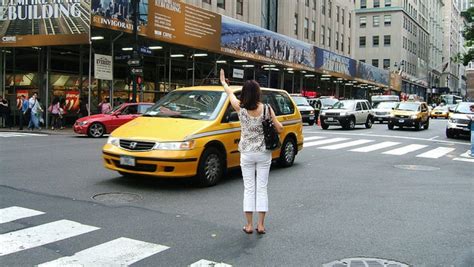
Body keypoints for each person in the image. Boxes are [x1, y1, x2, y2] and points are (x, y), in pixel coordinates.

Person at [220, 69, 283, 235]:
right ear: (258, 93)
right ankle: (261, 225)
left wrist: (224, 83)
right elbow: (280, 129)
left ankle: (248, 225)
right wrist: (276, 125)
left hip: (246, 153)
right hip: (263, 153)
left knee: (249, 188)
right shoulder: (267, 109)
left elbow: (230, 95)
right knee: (262, 188)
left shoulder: (240, 108)